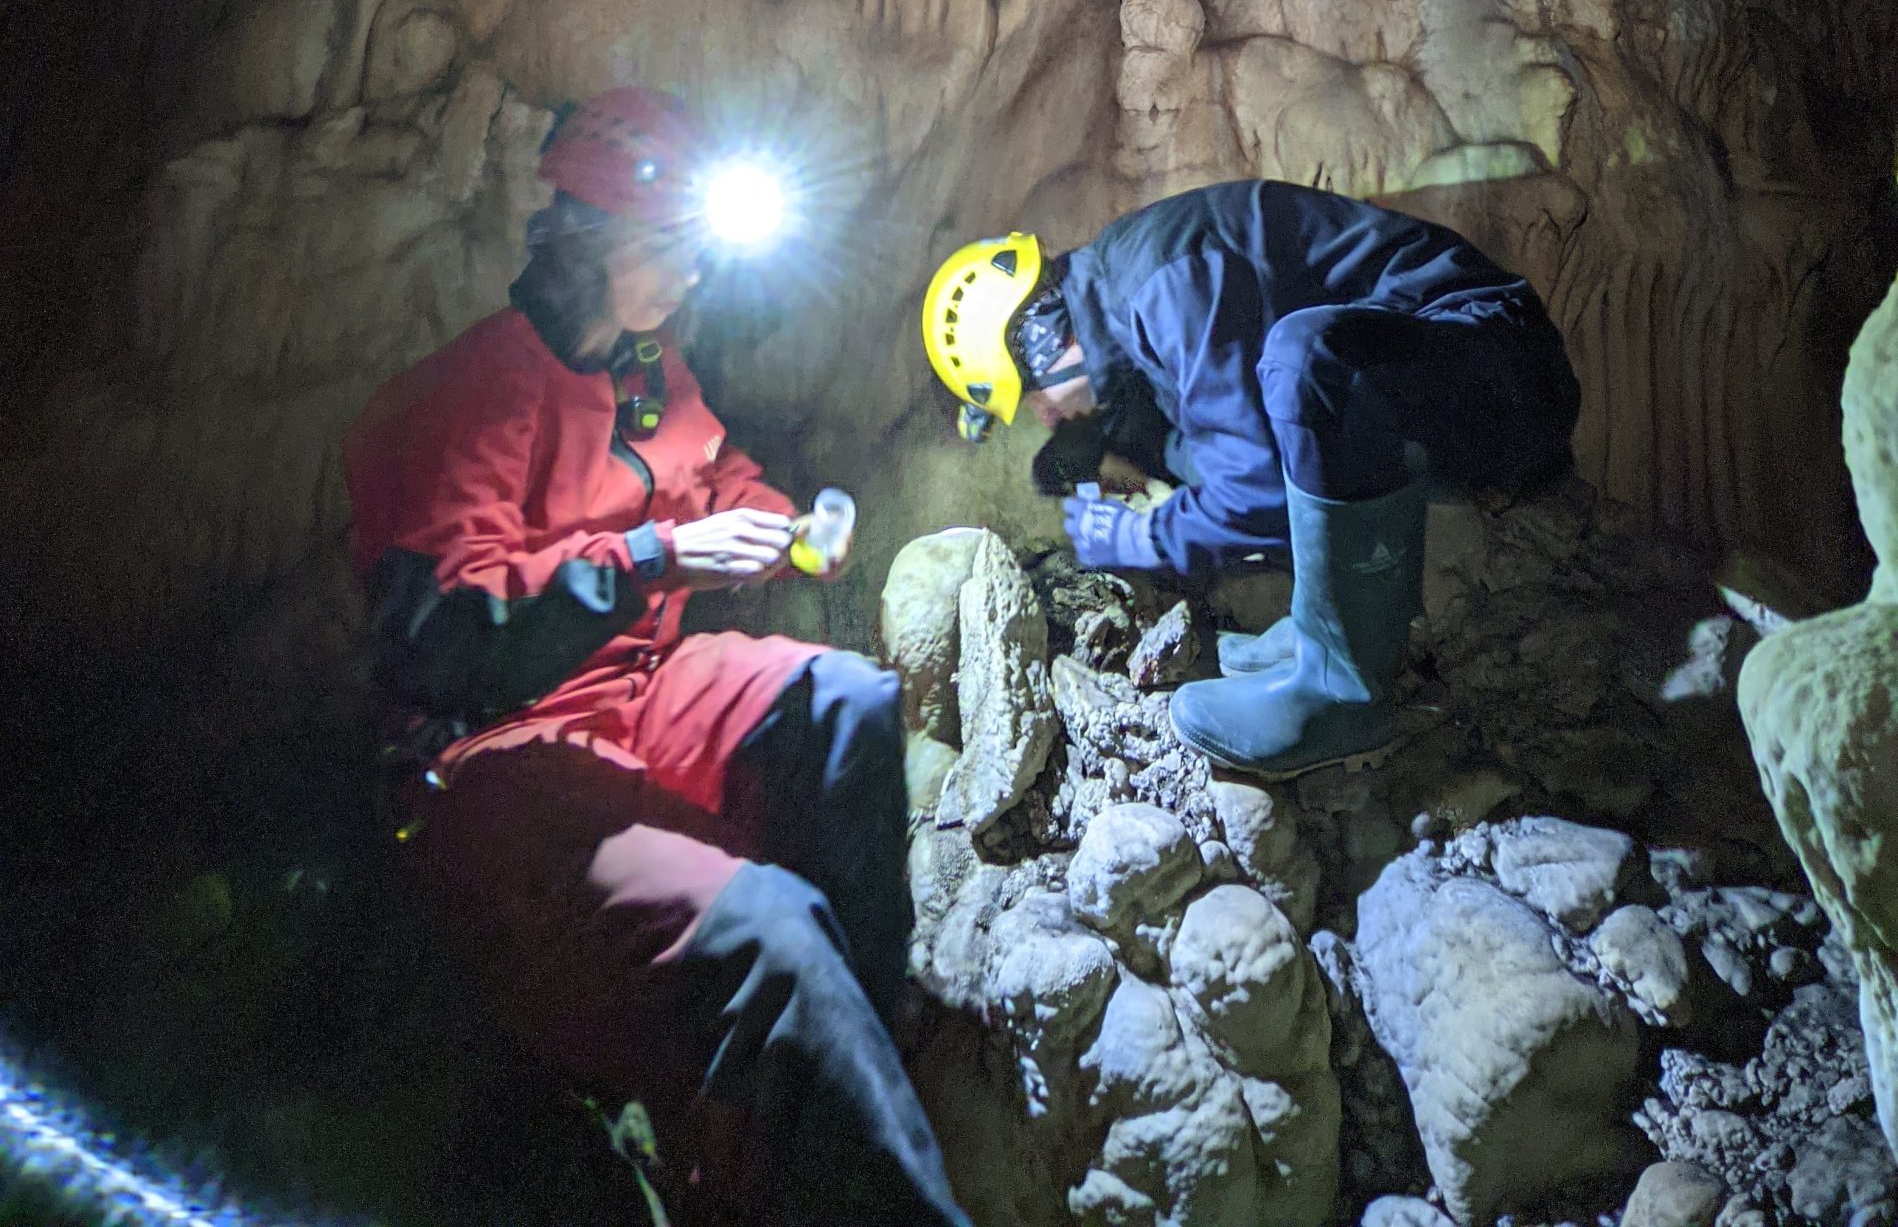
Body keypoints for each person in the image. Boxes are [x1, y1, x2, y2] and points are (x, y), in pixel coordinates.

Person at [344, 87, 969, 1227]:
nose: (689, 273)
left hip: (637, 693)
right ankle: (795, 1126)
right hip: (496, 749)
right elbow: (444, 639)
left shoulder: (646, 369)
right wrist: (651, 556)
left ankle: (853, 1036)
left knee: (845, 700)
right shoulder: (463, 396)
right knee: (769, 927)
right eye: (668, 246)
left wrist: (789, 530)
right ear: (587, 241)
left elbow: (713, 478)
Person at [923, 179, 1579, 778]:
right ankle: (1320, 626)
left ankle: (1343, 695)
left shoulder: (1162, 283)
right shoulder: (1128, 301)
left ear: (1042, 343)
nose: (1043, 416)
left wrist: (1143, 535)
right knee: (1241, 416)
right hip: (1437, 379)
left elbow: (1258, 489)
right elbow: (1229, 451)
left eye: (1031, 396)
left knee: (1306, 359)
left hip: (1502, 365)